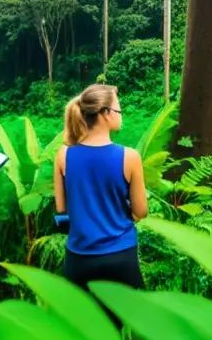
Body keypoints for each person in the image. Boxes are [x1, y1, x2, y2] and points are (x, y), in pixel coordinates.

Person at [53, 84, 149, 301]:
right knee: (120, 329)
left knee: (85, 327)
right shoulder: (130, 157)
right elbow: (141, 211)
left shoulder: (63, 155)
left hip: (79, 259)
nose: (121, 116)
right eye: (118, 110)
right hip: (121, 257)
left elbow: (61, 209)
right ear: (105, 114)